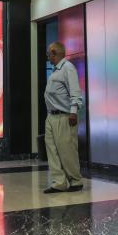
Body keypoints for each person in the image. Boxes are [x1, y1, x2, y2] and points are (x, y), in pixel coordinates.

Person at [43, 41, 83, 194]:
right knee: (52, 151)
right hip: (51, 116)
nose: (47, 57)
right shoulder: (55, 70)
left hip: (65, 116)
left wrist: (73, 112)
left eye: (49, 54)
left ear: (55, 52)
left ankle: (75, 180)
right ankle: (59, 182)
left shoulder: (68, 68)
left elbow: (75, 93)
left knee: (67, 150)